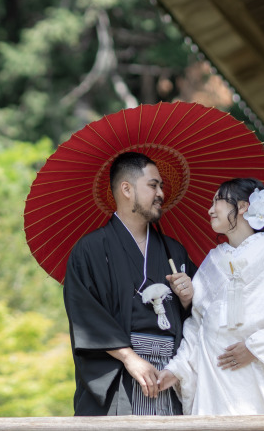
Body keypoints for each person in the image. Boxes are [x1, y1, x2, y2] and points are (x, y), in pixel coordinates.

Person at [156, 178, 264, 415]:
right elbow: (197, 326)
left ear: (243, 207)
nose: (210, 210)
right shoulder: (213, 260)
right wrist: (178, 369)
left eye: (217, 200)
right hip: (215, 386)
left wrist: (254, 348)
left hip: (259, 383)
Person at [63, 152, 197, 416]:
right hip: (121, 374)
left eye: (161, 186)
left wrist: (188, 300)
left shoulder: (175, 252)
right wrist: (130, 358)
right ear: (126, 189)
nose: (160, 193)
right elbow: (84, 314)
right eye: (153, 185)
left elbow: (199, 319)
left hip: (169, 377)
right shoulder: (90, 250)